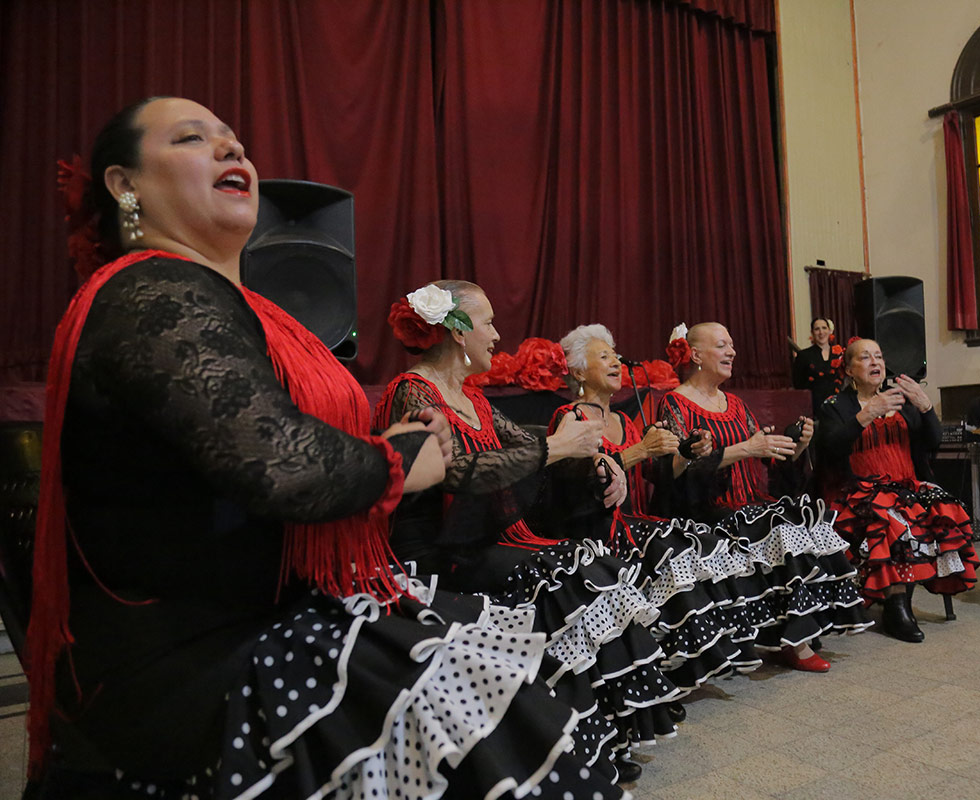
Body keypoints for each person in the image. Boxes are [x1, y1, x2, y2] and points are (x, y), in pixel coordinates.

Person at [26, 97, 626, 800]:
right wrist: (399, 461)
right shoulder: (153, 291)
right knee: (484, 691)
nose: (233, 152)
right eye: (194, 139)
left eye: (237, 141)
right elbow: (282, 465)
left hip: (270, 607)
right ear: (124, 185)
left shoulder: (244, 310)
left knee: (508, 670)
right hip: (194, 649)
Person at [376, 283, 678, 782]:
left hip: (486, 539)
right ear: (455, 330)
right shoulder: (413, 390)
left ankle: (588, 736)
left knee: (594, 567)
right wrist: (559, 448)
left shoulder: (471, 397)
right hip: (442, 552)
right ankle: (562, 742)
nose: (497, 335)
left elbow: (527, 441)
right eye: (489, 322)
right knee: (573, 575)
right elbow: (457, 471)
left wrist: (601, 459)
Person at [549, 324, 834, 678]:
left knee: (794, 517)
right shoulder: (571, 418)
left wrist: (687, 452)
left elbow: (662, 473)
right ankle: (697, 656)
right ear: (577, 371)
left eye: (615, 355)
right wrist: (659, 454)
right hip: (603, 529)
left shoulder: (624, 419)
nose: (616, 362)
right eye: (604, 356)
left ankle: (780, 634)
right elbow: (574, 487)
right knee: (691, 542)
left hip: (642, 520)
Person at [654, 323, 871, 661]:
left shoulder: (736, 403)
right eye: (722, 345)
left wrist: (797, 446)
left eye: (732, 345)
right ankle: (794, 644)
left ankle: (800, 630)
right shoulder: (675, 403)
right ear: (696, 355)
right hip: (704, 509)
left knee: (806, 520)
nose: (732, 352)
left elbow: (768, 458)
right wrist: (746, 448)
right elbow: (679, 473)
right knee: (781, 527)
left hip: (747, 502)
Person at [815, 338, 978, 642]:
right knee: (892, 518)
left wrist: (926, 406)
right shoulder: (835, 407)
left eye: (879, 356)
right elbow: (830, 447)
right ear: (849, 369)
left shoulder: (900, 402)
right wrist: (866, 414)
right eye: (865, 358)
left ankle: (900, 601)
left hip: (906, 485)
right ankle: (897, 606)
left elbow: (932, 441)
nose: (875, 362)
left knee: (943, 509)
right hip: (858, 491)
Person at [791, 317, 841, 404]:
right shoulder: (803, 355)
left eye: (824, 328)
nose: (821, 332)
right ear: (812, 332)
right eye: (817, 329)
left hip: (839, 402)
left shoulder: (839, 353)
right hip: (813, 404)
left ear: (830, 331)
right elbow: (798, 384)